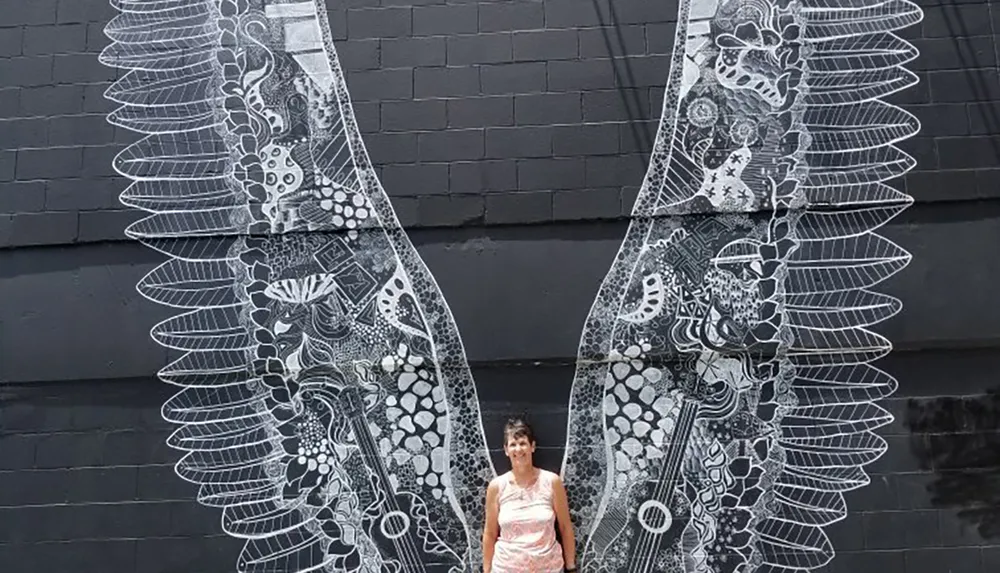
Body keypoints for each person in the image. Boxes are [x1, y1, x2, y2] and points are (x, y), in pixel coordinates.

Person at [482, 418, 577, 573]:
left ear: (532, 447)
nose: (518, 449)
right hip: (506, 568)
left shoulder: (552, 482)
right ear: (506, 450)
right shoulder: (496, 487)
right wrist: (486, 570)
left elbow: (565, 527)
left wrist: (571, 567)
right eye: (513, 444)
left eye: (523, 443)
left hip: (549, 568)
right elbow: (490, 533)